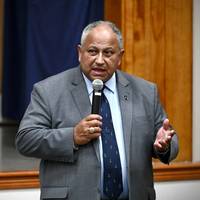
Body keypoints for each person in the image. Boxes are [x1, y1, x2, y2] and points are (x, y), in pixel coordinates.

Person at [16, 21, 179, 200]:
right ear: (80, 53)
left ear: (120, 56)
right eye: (92, 51)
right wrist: (72, 136)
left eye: (108, 53)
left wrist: (164, 145)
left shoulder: (146, 92)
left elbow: (169, 138)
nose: (100, 60)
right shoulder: (49, 91)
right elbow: (26, 139)